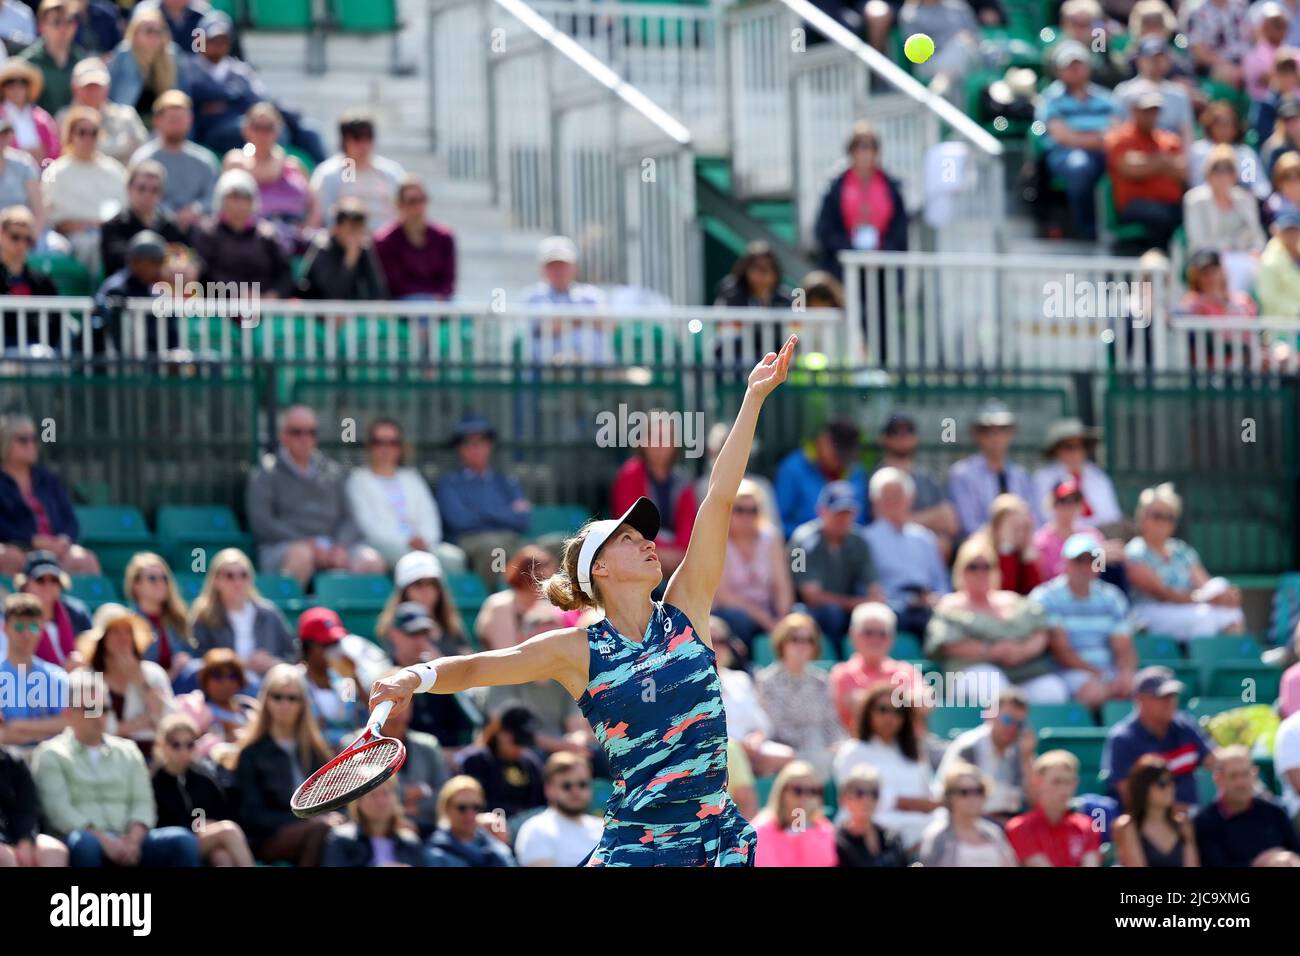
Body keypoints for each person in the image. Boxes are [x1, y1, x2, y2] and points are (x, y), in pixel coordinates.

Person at [369, 336, 799, 867]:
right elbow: (481, 667)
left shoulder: (686, 607)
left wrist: (753, 399)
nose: (647, 542)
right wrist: (416, 677)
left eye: (645, 537)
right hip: (637, 847)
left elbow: (719, 498)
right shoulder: (578, 649)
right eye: (627, 539)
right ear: (599, 568)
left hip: (717, 842)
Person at [32, 669, 200, 867]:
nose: (98, 716)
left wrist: (132, 842)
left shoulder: (128, 751)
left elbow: (143, 803)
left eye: (103, 708)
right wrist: (106, 842)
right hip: (84, 842)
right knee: (86, 844)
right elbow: (59, 812)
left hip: (130, 839)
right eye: (90, 708)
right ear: (68, 713)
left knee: (183, 841)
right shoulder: (51, 754)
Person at [247, 404, 384, 586]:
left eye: (311, 432)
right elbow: (262, 523)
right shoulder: (266, 473)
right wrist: (307, 543)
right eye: (297, 432)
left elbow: (351, 519)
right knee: (301, 555)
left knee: (371, 561)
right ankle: (292, 612)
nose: (305, 438)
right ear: (283, 436)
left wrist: (340, 547)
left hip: (331, 546)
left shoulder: (332, 471)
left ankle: (347, 614)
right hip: (285, 547)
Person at [925, 538, 1068, 705]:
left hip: (1023, 669)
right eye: (973, 566)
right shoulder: (950, 605)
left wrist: (1023, 650)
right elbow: (946, 644)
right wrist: (991, 650)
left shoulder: (1012, 599)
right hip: (972, 670)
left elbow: (1041, 631)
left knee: (1052, 691)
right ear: (960, 570)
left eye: (987, 566)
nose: (981, 572)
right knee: (994, 689)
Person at [232, 663, 336, 865]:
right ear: (266, 700)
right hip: (269, 837)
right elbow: (252, 814)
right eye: (277, 696)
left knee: (339, 833)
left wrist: (336, 818)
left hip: (319, 828)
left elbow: (338, 797)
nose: (284, 704)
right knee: (322, 830)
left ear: (302, 704)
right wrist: (307, 820)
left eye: (292, 698)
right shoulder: (251, 753)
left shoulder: (316, 750)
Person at [1124, 482, 1246, 638]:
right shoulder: (1134, 552)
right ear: (1142, 517)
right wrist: (1206, 600)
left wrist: (1223, 596)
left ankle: (1235, 660)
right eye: (1157, 516)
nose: (1163, 522)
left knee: (1231, 610)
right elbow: (1164, 595)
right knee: (1204, 619)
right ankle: (1202, 662)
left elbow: (1204, 584)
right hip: (1151, 612)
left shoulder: (1181, 550)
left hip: (1189, 607)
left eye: (1169, 517)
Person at [1030, 533, 1138, 708]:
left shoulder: (1112, 597)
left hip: (1106, 674)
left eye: (1092, 560)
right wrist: (1104, 676)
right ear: (1065, 563)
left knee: (1146, 691)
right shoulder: (1047, 597)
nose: (1086, 566)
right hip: (1067, 673)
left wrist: (1125, 674)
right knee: (1093, 693)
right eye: (1079, 560)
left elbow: (1124, 647)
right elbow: (1062, 652)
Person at [345, 417, 466, 573]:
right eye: (379, 442)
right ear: (369, 446)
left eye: (393, 443)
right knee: (409, 562)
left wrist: (425, 540)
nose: (386, 449)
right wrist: (406, 541)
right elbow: (368, 526)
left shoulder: (412, 477)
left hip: (422, 545)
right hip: (382, 546)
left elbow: (430, 515)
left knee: (454, 559)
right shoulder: (358, 480)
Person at [832, 683, 940, 850]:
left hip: (919, 826)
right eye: (883, 709)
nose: (890, 717)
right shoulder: (853, 751)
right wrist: (903, 802)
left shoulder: (914, 753)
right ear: (868, 713)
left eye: (898, 711)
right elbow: (850, 797)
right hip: (870, 825)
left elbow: (929, 795)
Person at [482, 605, 596, 761]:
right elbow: (508, 730)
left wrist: (578, 739)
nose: (550, 649)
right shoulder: (504, 674)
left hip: (561, 750)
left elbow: (574, 724)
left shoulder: (568, 675)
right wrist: (563, 746)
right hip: (520, 751)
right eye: (544, 640)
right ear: (523, 639)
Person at [434, 415, 532, 591]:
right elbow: (459, 521)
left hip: (511, 539)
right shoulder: (449, 482)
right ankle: (497, 602)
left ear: (490, 445)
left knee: (548, 549)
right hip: (471, 541)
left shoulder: (506, 481)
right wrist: (505, 512)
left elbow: (523, 520)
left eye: (481, 442)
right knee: (494, 548)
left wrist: (481, 511)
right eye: (468, 443)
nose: (475, 448)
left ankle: (549, 609)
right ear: (459, 448)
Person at [1036, 41, 1121, 241]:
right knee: (1079, 166)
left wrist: (1086, 138)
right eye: (1069, 65)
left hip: (1104, 153)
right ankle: (1087, 230)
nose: (1075, 69)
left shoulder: (1106, 98)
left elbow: (1117, 131)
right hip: (1065, 156)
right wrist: (1099, 139)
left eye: (1079, 64)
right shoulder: (1050, 98)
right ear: (1058, 71)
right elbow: (1062, 137)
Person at [788, 481, 883, 652]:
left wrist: (874, 603)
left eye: (848, 513)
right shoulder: (800, 542)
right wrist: (858, 603)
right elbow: (809, 595)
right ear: (822, 511)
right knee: (831, 613)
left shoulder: (859, 540)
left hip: (847, 607)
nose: (843, 519)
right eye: (837, 513)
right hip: (807, 609)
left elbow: (873, 584)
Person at [150, 712, 254, 866]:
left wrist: (208, 825)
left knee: (222, 857)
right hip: (175, 844)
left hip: (206, 840)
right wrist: (197, 826)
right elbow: (159, 825)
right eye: (176, 745)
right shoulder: (154, 782)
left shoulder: (204, 777)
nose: (183, 751)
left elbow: (222, 812)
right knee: (228, 830)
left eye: (189, 744)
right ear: (162, 745)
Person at [1101, 665, 1214, 807]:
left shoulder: (1186, 725)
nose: (1169, 702)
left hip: (1190, 817)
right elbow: (1129, 796)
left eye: (1172, 696)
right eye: (1161, 697)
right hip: (1147, 823)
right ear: (1140, 700)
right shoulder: (1122, 739)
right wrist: (1170, 815)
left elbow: (1214, 761)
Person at [0, 414, 98, 576]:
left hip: (55, 550)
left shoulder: (46, 478)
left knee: (84, 559)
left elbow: (70, 519)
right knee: (8, 557)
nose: (31, 445)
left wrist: (63, 540)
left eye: (34, 439)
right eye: (23, 440)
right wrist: (31, 539)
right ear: (5, 442)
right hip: (18, 549)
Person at [813, 120, 908, 279]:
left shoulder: (891, 186)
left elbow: (899, 230)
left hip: (883, 272)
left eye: (870, 146)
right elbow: (825, 230)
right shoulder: (835, 186)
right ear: (851, 150)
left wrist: (881, 252)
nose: (864, 152)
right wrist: (850, 250)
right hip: (844, 269)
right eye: (859, 146)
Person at [755, 613, 846, 778]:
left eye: (808, 640)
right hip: (790, 752)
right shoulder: (767, 681)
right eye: (795, 639)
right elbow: (776, 726)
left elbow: (832, 723)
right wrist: (813, 747)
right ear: (782, 643)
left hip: (822, 748)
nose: (802, 645)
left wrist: (837, 745)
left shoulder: (821, 680)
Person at [610, 412, 699, 578]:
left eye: (666, 438)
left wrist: (680, 553)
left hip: (677, 558)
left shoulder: (683, 479)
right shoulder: (629, 475)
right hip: (637, 552)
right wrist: (658, 550)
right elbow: (630, 526)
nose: (661, 444)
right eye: (655, 437)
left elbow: (688, 526)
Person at [78, 602, 173, 758]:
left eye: (127, 632)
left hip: (151, 757)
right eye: (115, 632)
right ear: (102, 639)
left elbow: (168, 718)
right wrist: (143, 722)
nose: (123, 638)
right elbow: (90, 727)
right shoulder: (83, 678)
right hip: (102, 757)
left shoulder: (153, 673)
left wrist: (141, 681)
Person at [863, 467, 950, 636]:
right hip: (892, 607)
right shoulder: (866, 539)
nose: (893, 501)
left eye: (898, 495)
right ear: (875, 500)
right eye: (886, 496)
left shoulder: (925, 538)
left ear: (910, 498)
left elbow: (941, 582)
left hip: (927, 606)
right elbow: (865, 587)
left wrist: (937, 598)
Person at [41, 104, 127, 275]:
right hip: (73, 238)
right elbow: (52, 218)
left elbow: (125, 210)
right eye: (82, 132)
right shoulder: (56, 171)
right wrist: (86, 225)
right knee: (93, 244)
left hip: (112, 233)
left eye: (93, 132)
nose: (88, 138)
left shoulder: (115, 170)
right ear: (71, 135)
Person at [220, 101, 313, 255]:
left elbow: (314, 201)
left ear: (277, 131)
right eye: (257, 127)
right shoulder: (236, 159)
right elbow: (267, 175)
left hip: (295, 233)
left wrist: (308, 227)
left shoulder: (294, 163)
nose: (263, 134)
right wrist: (278, 158)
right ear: (246, 130)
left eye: (269, 128)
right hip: (253, 236)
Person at [189, 548, 296, 678]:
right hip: (226, 687)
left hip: (270, 685)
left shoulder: (269, 613)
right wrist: (242, 665)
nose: (238, 582)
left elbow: (293, 655)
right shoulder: (204, 616)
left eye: (243, 575)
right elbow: (197, 661)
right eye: (230, 576)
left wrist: (274, 663)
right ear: (216, 581)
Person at [711, 479, 794, 648]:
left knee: (799, 619)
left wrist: (782, 616)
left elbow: (782, 584)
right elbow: (723, 596)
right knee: (739, 621)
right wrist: (765, 620)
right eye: (740, 510)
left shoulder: (771, 537)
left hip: (768, 611)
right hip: (732, 613)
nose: (747, 516)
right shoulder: (716, 540)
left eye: (753, 510)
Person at [935, 688, 1036, 822]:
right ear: (990, 714)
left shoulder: (1022, 751)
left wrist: (1026, 759)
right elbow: (953, 798)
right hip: (971, 823)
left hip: (1010, 824)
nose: (1012, 728)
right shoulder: (968, 747)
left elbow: (1035, 801)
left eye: (1019, 724)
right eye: (1007, 720)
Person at [191, 168, 294, 299]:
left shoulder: (267, 236)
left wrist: (273, 295)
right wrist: (237, 294)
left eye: (245, 197)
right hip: (218, 314)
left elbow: (285, 275)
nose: (239, 203)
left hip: (264, 313)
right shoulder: (207, 233)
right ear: (221, 200)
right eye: (233, 196)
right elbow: (204, 275)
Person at [1105, 85, 1186, 250]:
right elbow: (1130, 169)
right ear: (1133, 110)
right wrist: (1163, 162)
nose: (1151, 115)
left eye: (1154, 110)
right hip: (1134, 205)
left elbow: (1183, 171)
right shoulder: (1119, 137)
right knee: (1162, 216)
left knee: (1192, 212)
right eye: (1145, 110)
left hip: (1171, 203)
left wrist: (1147, 164)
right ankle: (1159, 262)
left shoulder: (1169, 139)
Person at [1192, 745, 1300, 866]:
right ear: (1218, 779)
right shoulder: (1204, 823)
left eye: (1245, 774)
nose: (1241, 782)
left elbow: (1296, 853)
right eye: (1233, 776)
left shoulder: (1275, 812)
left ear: (1254, 775)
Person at [948, 400, 1043, 536]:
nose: (996, 436)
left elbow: (1036, 520)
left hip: (1020, 547)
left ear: (1011, 434)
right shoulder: (962, 474)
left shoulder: (1021, 475)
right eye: (987, 431)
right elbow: (969, 526)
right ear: (976, 435)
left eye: (1003, 429)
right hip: (983, 548)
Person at [1184, 143, 1267, 292]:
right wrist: (1229, 250)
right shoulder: (1195, 200)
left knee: (1265, 265)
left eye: (1228, 169)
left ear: (1234, 175)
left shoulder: (1245, 199)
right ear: (1208, 173)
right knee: (1230, 267)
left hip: (1245, 257)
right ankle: (1229, 309)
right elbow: (1198, 242)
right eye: (1217, 169)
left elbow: (1258, 238)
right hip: (1209, 259)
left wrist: (1254, 251)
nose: (1223, 175)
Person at [713, 624, 794, 777]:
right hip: (719, 751)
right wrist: (738, 746)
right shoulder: (690, 682)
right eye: (710, 640)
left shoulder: (740, 679)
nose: (716, 646)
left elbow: (761, 723)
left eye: (722, 641)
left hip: (751, 751)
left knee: (787, 756)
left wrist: (756, 738)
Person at [870, 413, 957, 554]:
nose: (903, 437)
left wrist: (905, 519)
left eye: (908, 431)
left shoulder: (928, 478)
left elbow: (950, 523)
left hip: (924, 554)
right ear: (884, 439)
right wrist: (932, 517)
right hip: (888, 552)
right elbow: (884, 523)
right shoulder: (875, 478)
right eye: (896, 432)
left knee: (943, 543)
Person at [128, 90, 217, 228]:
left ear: (190, 120)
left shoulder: (205, 160)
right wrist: (171, 216)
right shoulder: (143, 159)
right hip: (154, 226)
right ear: (157, 120)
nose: (177, 125)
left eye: (181, 119)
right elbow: (135, 197)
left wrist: (195, 209)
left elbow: (213, 197)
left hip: (196, 228)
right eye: (172, 120)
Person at [829, 602, 920, 732]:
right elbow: (852, 705)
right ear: (852, 635)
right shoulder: (842, 673)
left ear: (892, 638)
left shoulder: (907, 671)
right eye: (868, 633)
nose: (875, 639)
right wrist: (902, 701)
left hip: (906, 748)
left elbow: (923, 703)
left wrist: (869, 700)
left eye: (882, 633)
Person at [775, 419, 869, 538]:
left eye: (846, 454)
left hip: (850, 549)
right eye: (837, 453)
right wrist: (810, 540)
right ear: (823, 440)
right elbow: (780, 521)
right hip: (804, 549)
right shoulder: (792, 469)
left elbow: (863, 520)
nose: (841, 461)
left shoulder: (856, 471)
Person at [1005, 750, 1103, 866]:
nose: (1064, 790)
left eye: (1068, 782)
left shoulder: (1087, 825)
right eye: (1056, 782)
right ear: (1037, 782)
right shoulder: (1019, 827)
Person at [378, 683, 449, 837]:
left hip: (428, 831)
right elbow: (358, 798)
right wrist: (408, 793)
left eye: (405, 700)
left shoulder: (429, 744)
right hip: (377, 833)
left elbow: (445, 793)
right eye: (391, 701)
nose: (399, 707)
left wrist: (418, 807)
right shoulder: (356, 746)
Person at [0, 591, 68, 747]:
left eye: (33, 627)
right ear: (5, 628)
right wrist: (48, 731)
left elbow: (70, 723)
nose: (26, 634)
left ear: (41, 629)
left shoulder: (57, 676)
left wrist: (16, 725)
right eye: (18, 626)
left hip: (49, 761)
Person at [513, 751, 604, 867]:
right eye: (566, 786)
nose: (576, 792)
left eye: (582, 784)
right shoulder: (535, 829)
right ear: (549, 789)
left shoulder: (603, 828)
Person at [918, 761, 1018, 866]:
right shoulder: (937, 836)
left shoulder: (994, 832)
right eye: (964, 792)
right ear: (950, 797)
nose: (972, 798)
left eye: (978, 791)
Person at [375, 551, 472, 660]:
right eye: (418, 584)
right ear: (404, 590)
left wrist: (439, 664)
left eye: (431, 583)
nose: (425, 591)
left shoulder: (452, 624)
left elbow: (468, 664)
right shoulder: (394, 626)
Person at [1032, 418, 1124, 531]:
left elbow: (1112, 516)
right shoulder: (1044, 478)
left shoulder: (1098, 477)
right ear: (1057, 450)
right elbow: (1044, 516)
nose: (1076, 452)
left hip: (1099, 538)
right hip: (1059, 539)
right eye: (1069, 447)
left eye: (1081, 446)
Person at [99, 159, 187, 276]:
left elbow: (185, 254)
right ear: (129, 189)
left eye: (154, 190)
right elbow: (117, 263)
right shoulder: (114, 226)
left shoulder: (170, 225)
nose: (148, 195)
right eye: (141, 188)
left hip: (165, 290)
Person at [373, 174, 455, 300]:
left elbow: (448, 282)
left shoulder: (444, 237)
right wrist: (430, 300)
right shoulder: (384, 241)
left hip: (440, 303)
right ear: (399, 205)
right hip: (403, 306)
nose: (418, 207)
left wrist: (438, 298)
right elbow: (396, 285)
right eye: (412, 201)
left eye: (422, 199)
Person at [321, 776, 429, 867]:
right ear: (358, 802)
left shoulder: (410, 841)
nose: (380, 801)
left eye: (385, 793)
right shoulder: (341, 839)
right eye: (373, 795)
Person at [474, 545, 565, 651]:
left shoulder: (544, 607)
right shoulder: (500, 606)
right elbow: (505, 653)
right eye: (540, 580)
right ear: (525, 577)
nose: (546, 586)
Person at [60, 57, 147, 168]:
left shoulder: (126, 115)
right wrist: (121, 145)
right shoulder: (64, 117)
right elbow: (68, 152)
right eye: (88, 86)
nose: (93, 91)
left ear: (107, 87)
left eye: (98, 86)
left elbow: (142, 151)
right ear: (75, 88)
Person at [172, 648, 256, 762]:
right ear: (206, 680)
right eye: (218, 676)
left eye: (232, 676)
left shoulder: (249, 708)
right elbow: (185, 750)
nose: (226, 683)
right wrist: (223, 737)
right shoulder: (192, 707)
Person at [1114, 754, 1199, 866]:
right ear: (1143, 787)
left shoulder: (1184, 825)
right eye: (1162, 783)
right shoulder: (1128, 827)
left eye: (1172, 782)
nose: (1170, 788)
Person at [106, 5, 186, 122]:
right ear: (135, 33)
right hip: (127, 126)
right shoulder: (123, 54)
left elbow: (183, 98)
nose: (154, 36)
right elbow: (109, 94)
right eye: (149, 31)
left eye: (159, 31)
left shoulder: (173, 55)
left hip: (163, 127)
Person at [298, 196, 388, 300]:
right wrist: (350, 259)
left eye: (359, 228)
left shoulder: (363, 248)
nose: (355, 235)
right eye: (351, 229)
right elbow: (333, 294)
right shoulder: (323, 247)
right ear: (337, 228)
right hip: (315, 313)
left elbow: (378, 291)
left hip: (349, 313)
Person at [752, 760, 838, 867]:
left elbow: (825, 862)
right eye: (798, 790)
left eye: (812, 791)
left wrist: (806, 825)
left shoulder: (823, 828)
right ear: (782, 792)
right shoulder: (761, 830)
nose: (805, 798)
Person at [296, 607, 360, 750]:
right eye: (326, 645)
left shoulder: (346, 682)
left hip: (348, 762)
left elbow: (356, 719)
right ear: (307, 647)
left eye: (336, 643)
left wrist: (355, 677)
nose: (333, 650)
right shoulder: (293, 682)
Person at [17, 550, 91, 670]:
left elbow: (91, 652)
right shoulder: (14, 617)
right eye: (40, 580)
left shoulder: (77, 613)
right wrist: (62, 672)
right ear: (25, 584)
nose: (48, 586)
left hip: (78, 683)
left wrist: (83, 660)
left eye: (54, 580)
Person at [1113, 37, 1194, 143]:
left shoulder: (1179, 93)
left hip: (1168, 153)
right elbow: (1115, 129)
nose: (1156, 63)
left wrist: (1184, 159)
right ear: (1139, 60)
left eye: (1161, 58)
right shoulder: (1124, 91)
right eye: (1150, 58)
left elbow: (1186, 134)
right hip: (1134, 152)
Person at [15, 0, 87, 116]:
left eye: (69, 21)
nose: (64, 29)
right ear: (41, 26)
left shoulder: (82, 61)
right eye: (57, 22)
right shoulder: (26, 64)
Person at [0, 742, 68, 866]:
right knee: (4, 856)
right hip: (3, 842)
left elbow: (28, 807)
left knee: (53, 851)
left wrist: (25, 840)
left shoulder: (14, 761)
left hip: (16, 835)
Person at [424, 775, 515, 867]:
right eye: (462, 808)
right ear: (447, 808)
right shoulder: (437, 853)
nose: (470, 814)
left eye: (476, 807)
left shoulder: (496, 849)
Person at [1190, 100, 1271, 200]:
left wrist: (1240, 194)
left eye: (1229, 124)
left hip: (1241, 206)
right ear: (1210, 125)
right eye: (1219, 123)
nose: (1224, 128)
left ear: (1236, 127)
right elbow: (1196, 184)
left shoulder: (1245, 153)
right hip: (1208, 205)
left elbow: (1260, 187)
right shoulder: (1199, 150)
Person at [1033, 480, 1108, 582]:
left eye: (1075, 501)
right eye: (1064, 501)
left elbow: (1100, 569)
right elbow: (1044, 576)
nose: (1070, 506)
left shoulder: (1093, 535)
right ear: (1053, 504)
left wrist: (1106, 556)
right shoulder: (1041, 540)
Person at [834, 765, 907, 867]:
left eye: (874, 793)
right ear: (844, 798)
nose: (867, 800)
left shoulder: (892, 837)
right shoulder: (836, 842)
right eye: (859, 793)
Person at [972, 493, 1043, 596]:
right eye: (1014, 527)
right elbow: (1004, 593)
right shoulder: (980, 553)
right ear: (997, 528)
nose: (1020, 533)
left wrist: (1028, 554)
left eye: (1024, 527)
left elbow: (1034, 595)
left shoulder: (1025, 552)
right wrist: (1006, 549)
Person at [0, 59, 59, 166]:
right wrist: (27, 155)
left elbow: (54, 151)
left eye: (22, 82)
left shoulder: (42, 117)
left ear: (28, 87)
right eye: (10, 83)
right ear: (3, 88)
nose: (16, 88)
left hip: (42, 175)